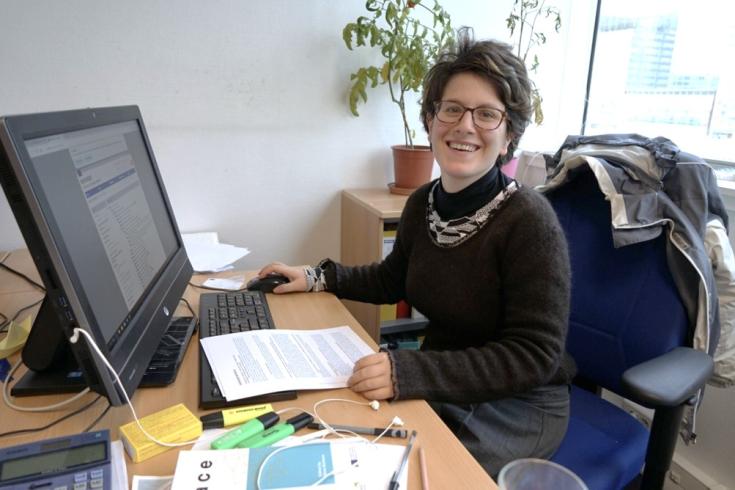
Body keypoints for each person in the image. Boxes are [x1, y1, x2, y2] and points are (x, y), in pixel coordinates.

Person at [257, 27, 576, 477]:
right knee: (346, 441)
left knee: (415, 474)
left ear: (508, 137)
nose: (465, 125)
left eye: (487, 114)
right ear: (431, 121)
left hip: (518, 401)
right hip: (443, 376)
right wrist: (316, 276)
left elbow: (533, 356)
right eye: (452, 109)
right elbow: (393, 278)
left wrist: (410, 373)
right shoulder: (422, 203)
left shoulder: (530, 222)